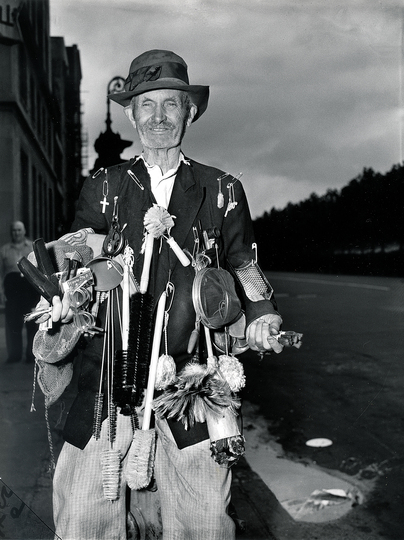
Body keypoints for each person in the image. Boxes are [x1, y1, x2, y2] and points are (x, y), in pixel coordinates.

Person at [45, 49, 289, 540]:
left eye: (171, 105)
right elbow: (77, 256)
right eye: (147, 105)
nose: (159, 117)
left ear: (190, 112)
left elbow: (243, 265)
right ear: (131, 114)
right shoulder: (105, 186)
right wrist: (74, 286)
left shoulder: (223, 190)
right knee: (84, 515)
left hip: (192, 378)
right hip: (106, 377)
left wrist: (264, 314)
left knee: (204, 518)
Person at [0, 221, 38, 363]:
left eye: (19, 230)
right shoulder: (4, 250)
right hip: (12, 290)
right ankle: (14, 355)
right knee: (13, 323)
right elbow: (1, 273)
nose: (16, 233)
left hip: (29, 290)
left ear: (24, 231)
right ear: (11, 232)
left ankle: (31, 354)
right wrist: (1, 292)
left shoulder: (32, 247)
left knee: (31, 322)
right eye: (14, 230)